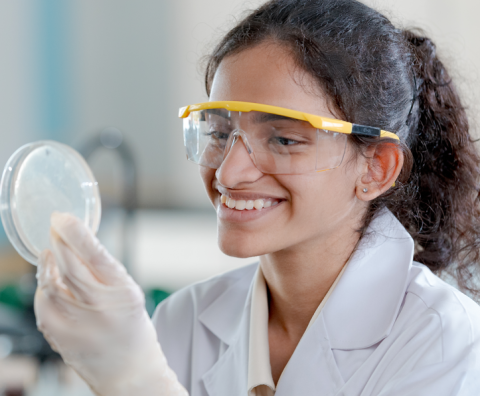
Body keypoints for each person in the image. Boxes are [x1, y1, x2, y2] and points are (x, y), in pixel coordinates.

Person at [35, 0, 480, 395]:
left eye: (284, 140)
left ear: (376, 168)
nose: (229, 172)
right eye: (220, 132)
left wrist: (137, 382)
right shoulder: (184, 321)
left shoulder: (446, 342)